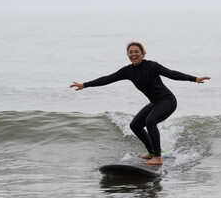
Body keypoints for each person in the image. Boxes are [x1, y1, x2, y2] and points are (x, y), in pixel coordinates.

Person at [70, 42, 210, 165]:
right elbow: (108, 79)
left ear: (143, 53)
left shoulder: (152, 66)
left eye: (137, 51)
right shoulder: (128, 71)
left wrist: (194, 79)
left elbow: (172, 74)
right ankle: (152, 152)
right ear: (128, 55)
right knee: (135, 125)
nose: (133, 54)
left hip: (168, 101)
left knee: (150, 121)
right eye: (130, 52)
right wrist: (85, 85)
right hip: (155, 102)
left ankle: (157, 157)